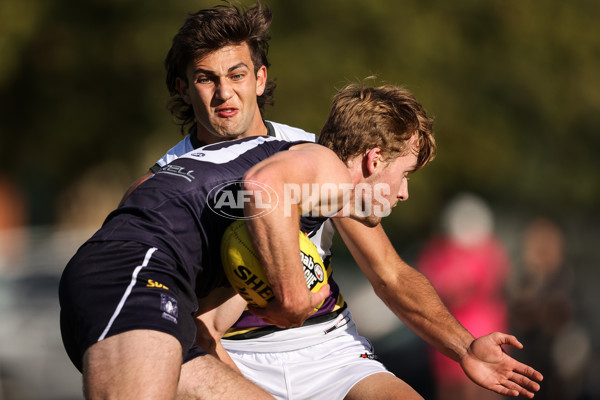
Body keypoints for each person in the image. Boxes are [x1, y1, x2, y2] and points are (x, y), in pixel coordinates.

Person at [117, 2, 542, 399]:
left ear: (260, 78)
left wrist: (464, 346)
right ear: (184, 87)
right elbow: (183, 318)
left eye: (237, 75)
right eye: (206, 78)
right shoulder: (162, 190)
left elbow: (389, 273)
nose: (224, 93)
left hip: (327, 348)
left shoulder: (306, 154)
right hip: (231, 356)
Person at [417, 193, 511, 400]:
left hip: (481, 333)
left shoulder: (489, 251)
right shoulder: (438, 252)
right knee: (456, 390)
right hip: (449, 336)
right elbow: (435, 288)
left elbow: (487, 285)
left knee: (487, 388)